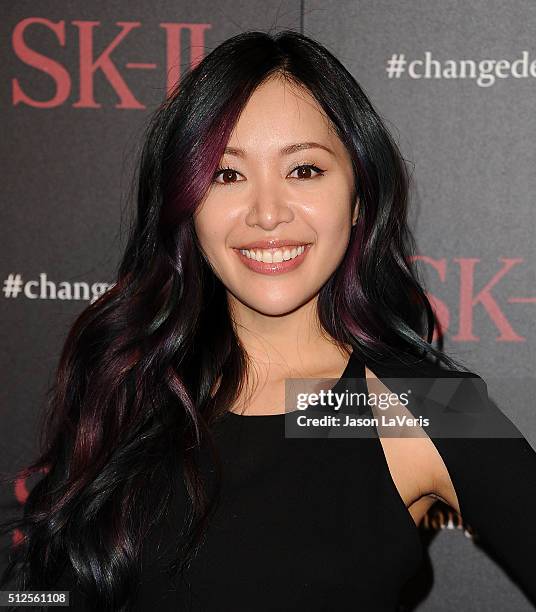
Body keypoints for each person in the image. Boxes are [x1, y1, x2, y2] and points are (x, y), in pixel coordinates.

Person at [1, 29, 535, 612]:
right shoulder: (137, 379)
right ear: (187, 203)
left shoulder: (423, 407)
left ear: (359, 196)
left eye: (304, 170)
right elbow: (42, 593)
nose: (268, 213)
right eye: (228, 175)